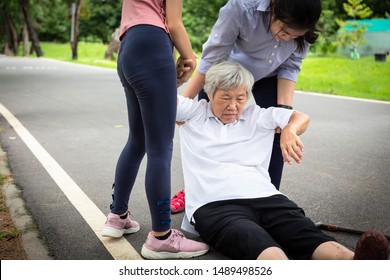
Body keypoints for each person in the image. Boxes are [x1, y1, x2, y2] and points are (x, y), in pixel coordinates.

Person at [176, 61, 390, 260]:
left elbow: (301, 118)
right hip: (216, 206)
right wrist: (178, 78)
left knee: (307, 235)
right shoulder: (194, 113)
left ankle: (356, 263)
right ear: (209, 93)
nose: (233, 105)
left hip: (267, 198)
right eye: (225, 97)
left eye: (240, 98)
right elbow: (157, 96)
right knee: (268, 250)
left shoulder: (258, 116)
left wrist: (289, 129)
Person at [102, 0, 209, 260]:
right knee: (160, 147)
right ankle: (162, 237)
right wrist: (189, 58)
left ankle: (118, 216)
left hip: (128, 46)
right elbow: (173, 23)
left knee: (137, 139)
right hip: (152, 44)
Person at [181, 0, 323, 190]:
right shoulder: (241, 8)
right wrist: (185, 103)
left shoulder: (304, 26)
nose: (286, 39)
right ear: (274, 6)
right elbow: (212, 57)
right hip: (230, 74)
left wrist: (284, 113)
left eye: (294, 36)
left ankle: (268, 193)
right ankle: (195, 189)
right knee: (208, 129)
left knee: (276, 134)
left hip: (270, 76)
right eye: (284, 31)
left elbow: (290, 67)